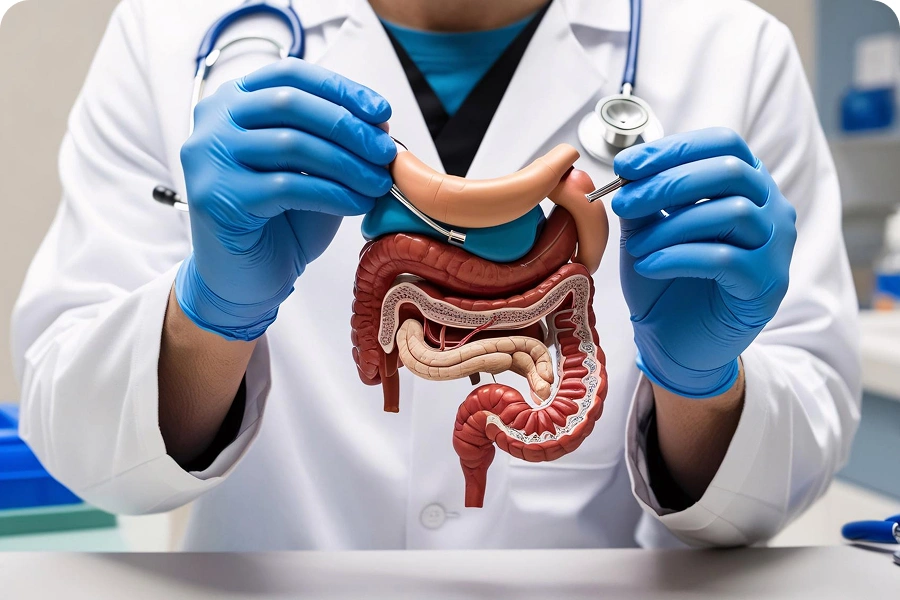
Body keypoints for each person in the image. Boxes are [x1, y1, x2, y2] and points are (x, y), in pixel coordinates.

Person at [11, 0, 860, 551]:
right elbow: (83, 439)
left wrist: (705, 386)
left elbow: (779, 470)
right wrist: (205, 315)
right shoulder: (168, 31)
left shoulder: (737, 49)